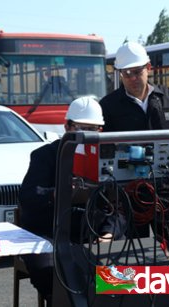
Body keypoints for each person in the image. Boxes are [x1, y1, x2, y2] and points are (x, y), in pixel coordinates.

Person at [19, 96, 125, 306]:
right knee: (53, 274)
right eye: (82, 128)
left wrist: (110, 231)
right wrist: (56, 194)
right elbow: (28, 197)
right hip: (49, 233)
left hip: (90, 234)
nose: (88, 134)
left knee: (123, 274)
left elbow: (120, 209)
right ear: (67, 126)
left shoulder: (106, 158)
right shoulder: (45, 156)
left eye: (94, 129)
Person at [99, 41, 169, 132]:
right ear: (120, 73)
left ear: (148, 68)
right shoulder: (107, 106)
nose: (133, 78)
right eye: (127, 73)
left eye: (137, 71)